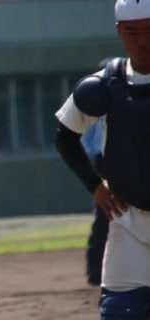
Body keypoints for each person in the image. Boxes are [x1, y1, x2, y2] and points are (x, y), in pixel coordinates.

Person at [54, 0, 150, 319]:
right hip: (129, 225)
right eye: (132, 31)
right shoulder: (105, 86)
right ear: (119, 31)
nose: (142, 41)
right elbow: (65, 137)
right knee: (120, 312)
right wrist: (95, 185)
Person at [80, 118, 109, 287]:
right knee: (105, 214)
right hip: (105, 159)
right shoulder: (100, 103)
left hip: (137, 155)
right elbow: (83, 139)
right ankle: (96, 271)